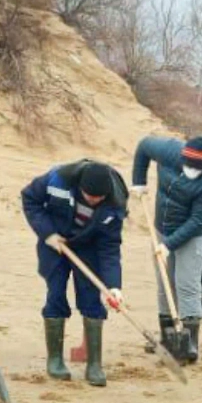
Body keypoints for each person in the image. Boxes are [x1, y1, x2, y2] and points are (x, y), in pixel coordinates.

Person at [21, 159, 127, 387]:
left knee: (91, 298)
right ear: (80, 186)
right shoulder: (57, 178)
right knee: (56, 293)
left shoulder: (115, 203)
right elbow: (30, 199)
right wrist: (47, 233)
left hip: (88, 247)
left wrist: (114, 287)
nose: (93, 201)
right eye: (89, 196)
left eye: (98, 198)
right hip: (55, 243)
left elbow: (110, 248)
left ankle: (94, 364)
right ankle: (55, 360)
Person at [131, 133, 202, 363]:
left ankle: (188, 345)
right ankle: (168, 339)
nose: (192, 171)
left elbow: (198, 220)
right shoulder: (169, 150)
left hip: (193, 235)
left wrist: (168, 245)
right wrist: (139, 181)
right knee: (165, 284)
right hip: (162, 227)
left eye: (197, 169)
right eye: (188, 166)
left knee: (187, 285)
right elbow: (143, 146)